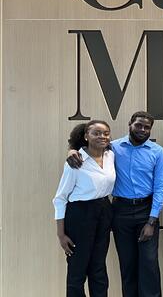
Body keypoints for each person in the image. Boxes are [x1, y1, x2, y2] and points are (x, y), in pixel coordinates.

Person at [67, 111, 163, 297]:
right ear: (130, 124)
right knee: (127, 264)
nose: (143, 129)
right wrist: (72, 150)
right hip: (119, 211)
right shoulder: (112, 148)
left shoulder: (157, 152)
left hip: (147, 212)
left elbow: (161, 187)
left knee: (149, 266)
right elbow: (88, 149)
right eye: (139, 125)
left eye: (147, 127)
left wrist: (152, 220)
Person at [53, 121, 115, 297]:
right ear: (86, 136)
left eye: (105, 133)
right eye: (96, 133)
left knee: (98, 268)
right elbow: (60, 198)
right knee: (77, 269)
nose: (102, 136)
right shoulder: (75, 161)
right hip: (80, 214)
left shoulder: (111, 155)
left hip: (104, 211)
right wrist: (61, 233)